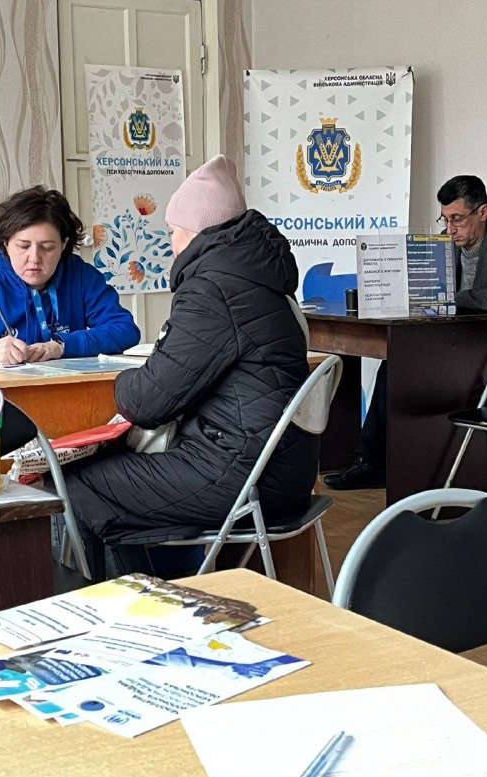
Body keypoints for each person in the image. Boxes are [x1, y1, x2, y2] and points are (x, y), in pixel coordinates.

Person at [60, 154, 318, 578]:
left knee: (76, 481)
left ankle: (139, 602)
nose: (172, 244)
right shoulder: (261, 279)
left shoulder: (213, 289)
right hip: (282, 470)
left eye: (173, 232)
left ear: (196, 233)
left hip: (242, 476)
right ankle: (159, 590)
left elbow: (147, 403)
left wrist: (122, 381)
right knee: (117, 481)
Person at [325, 174, 487, 491]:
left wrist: (458, 298)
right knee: (396, 364)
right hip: (460, 347)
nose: (450, 229)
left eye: (458, 219)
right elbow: (429, 295)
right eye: (445, 219)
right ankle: (371, 463)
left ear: (483, 212)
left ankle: (435, 474)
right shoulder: (445, 242)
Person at [0, 185, 140, 365]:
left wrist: (63, 346)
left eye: (47, 247)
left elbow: (124, 329)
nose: (34, 258)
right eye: (23, 246)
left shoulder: (82, 277)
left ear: (64, 244)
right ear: (6, 244)